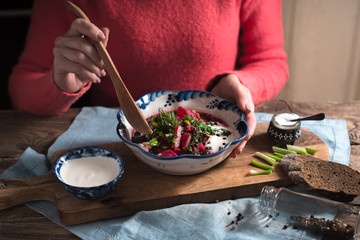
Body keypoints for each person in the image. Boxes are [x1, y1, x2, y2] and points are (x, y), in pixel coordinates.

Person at [8, 0, 288, 157]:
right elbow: (23, 86)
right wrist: (60, 83)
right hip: (113, 144)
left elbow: (271, 62)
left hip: (215, 135)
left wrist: (240, 84)